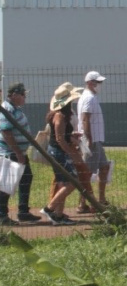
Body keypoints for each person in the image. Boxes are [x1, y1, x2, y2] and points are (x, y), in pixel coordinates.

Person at [42, 83, 84, 226]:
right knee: (72, 182)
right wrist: (71, 153)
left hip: (60, 151)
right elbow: (59, 139)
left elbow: (63, 135)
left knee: (63, 184)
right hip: (58, 153)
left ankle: (58, 215)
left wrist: (72, 136)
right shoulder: (59, 116)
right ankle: (49, 208)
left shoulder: (63, 115)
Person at [0, 83, 41, 225]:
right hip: (10, 152)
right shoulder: (7, 109)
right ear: (15, 95)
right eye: (23, 95)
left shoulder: (15, 109)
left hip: (19, 152)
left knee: (26, 178)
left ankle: (23, 212)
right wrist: (17, 152)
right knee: (7, 184)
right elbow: (6, 132)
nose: (25, 97)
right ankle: (2, 216)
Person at [76, 71, 111, 213]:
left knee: (104, 167)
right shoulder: (89, 98)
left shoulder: (91, 97)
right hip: (92, 139)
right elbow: (85, 119)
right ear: (90, 82)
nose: (100, 85)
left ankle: (101, 199)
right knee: (88, 172)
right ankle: (83, 203)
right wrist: (89, 139)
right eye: (98, 82)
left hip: (95, 139)